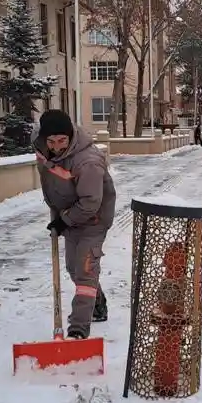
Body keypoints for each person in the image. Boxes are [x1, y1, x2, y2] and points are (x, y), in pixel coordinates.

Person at [34, 109, 116, 340]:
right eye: (51, 141)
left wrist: (63, 221)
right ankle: (97, 305)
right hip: (69, 214)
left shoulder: (88, 161)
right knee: (72, 267)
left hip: (94, 219)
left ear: (70, 136)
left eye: (62, 141)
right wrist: (59, 214)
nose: (57, 147)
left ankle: (79, 328)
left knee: (86, 271)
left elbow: (91, 202)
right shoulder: (43, 147)